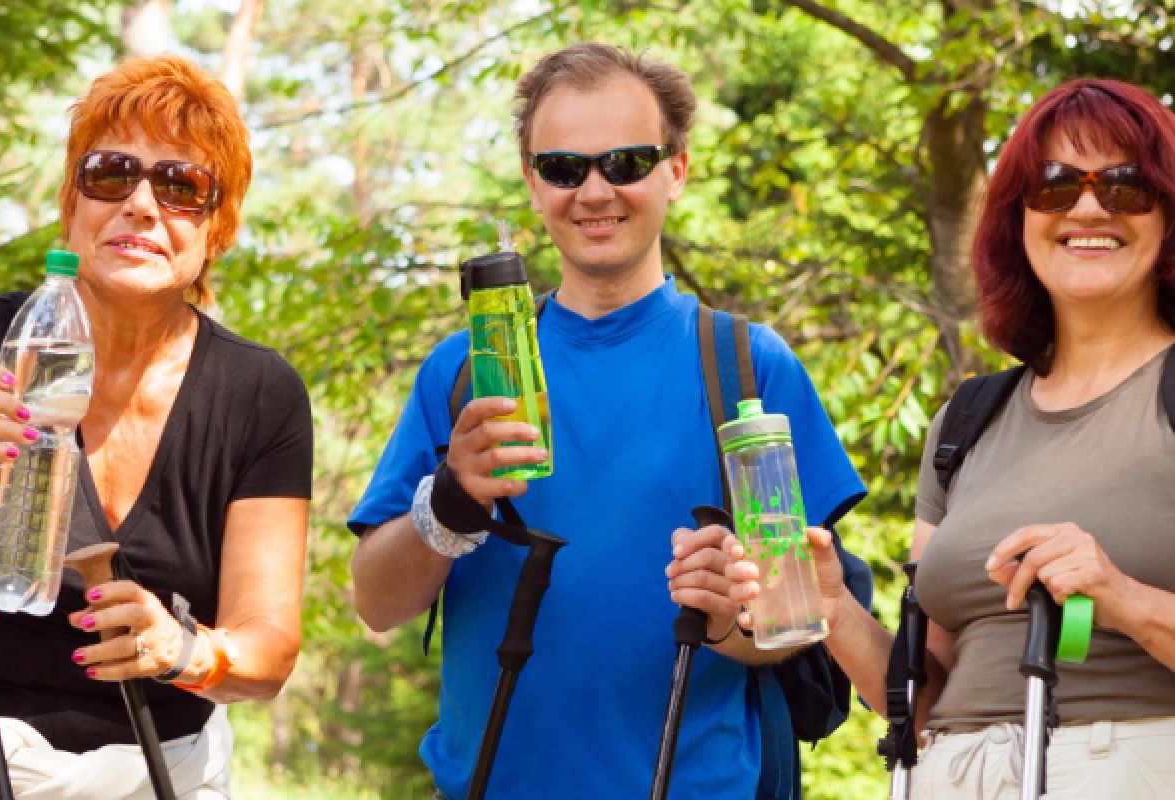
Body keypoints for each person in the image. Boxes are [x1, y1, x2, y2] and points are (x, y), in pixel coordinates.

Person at [348, 43, 866, 799]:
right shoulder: (465, 371)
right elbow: (376, 601)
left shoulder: (749, 368)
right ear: (532, 183)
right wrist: (452, 502)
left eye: (625, 162)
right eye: (564, 168)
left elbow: (802, 623)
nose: (595, 191)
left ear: (676, 171)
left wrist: (734, 612)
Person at [728, 77, 1175, 799]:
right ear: (1019, 217)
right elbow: (923, 693)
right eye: (1057, 186)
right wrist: (835, 609)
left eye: (1125, 187)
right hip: (946, 775)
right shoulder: (966, 422)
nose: (1090, 207)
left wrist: (1119, 595)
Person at [0, 55, 312, 798]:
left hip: (168, 772)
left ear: (216, 230)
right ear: (72, 202)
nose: (140, 204)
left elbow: (268, 651)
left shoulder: (258, 393)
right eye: (110, 174)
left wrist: (184, 649)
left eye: (182, 187)